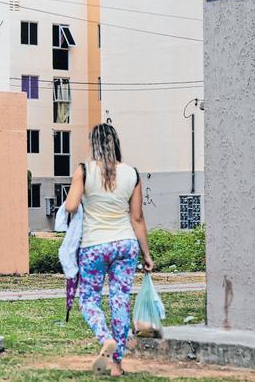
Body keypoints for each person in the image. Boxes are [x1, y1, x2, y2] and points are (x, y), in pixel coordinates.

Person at [64, 123, 154, 377]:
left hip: (94, 246)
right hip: (125, 244)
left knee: (89, 300)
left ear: (93, 144)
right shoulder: (132, 173)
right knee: (120, 301)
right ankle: (117, 365)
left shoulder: (84, 170)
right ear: (115, 143)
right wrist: (146, 254)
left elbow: (70, 206)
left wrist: (81, 191)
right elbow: (137, 218)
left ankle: (106, 338)